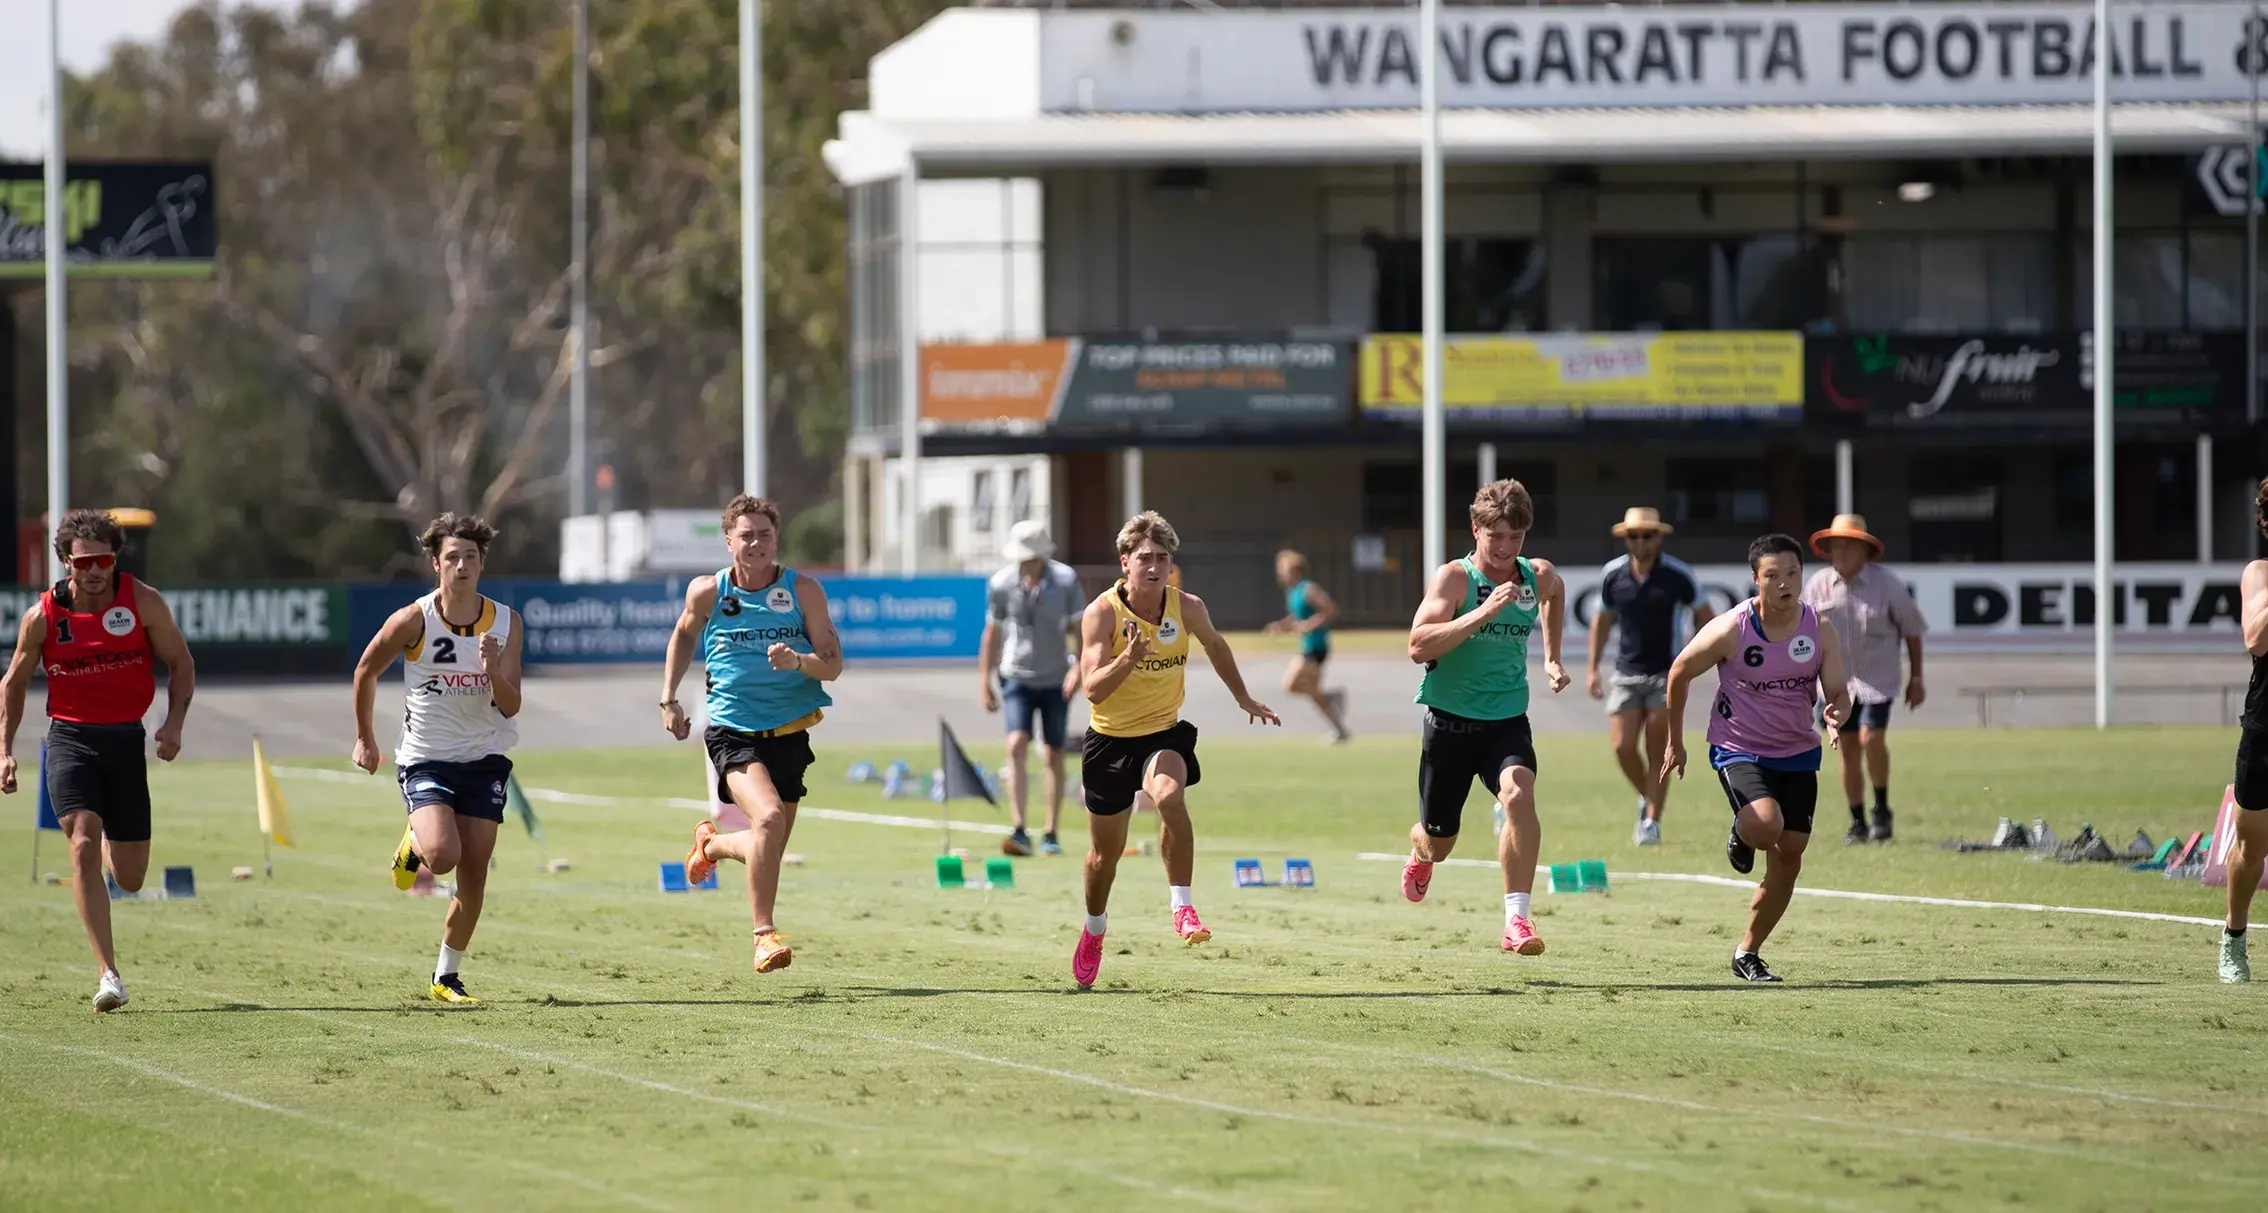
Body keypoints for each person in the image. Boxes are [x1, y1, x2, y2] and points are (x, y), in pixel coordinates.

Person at [1071, 511, 1280, 989]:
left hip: (1163, 733)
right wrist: (1129, 658)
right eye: (1144, 557)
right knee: (1105, 856)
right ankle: (1095, 930)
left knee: (1169, 795)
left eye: (1163, 558)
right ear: (1125, 562)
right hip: (1108, 742)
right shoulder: (1102, 614)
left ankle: (1182, 906)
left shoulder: (1186, 607)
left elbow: (1217, 646)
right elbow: (1092, 689)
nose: (1154, 566)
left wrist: (1243, 696)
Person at [0, 510, 194, 1013]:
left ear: (115, 559)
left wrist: (173, 724)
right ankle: (109, 974)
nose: (95, 570)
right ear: (66, 561)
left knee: (129, 877)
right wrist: (5, 751)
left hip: (126, 744)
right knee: (82, 841)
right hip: (69, 740)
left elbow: (181, 661)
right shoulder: (42, 616)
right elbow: (13, 683)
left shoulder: (143, 601)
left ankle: (110, 836)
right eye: (84, 561)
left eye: (104, 559)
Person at [665, 495, 844, 975]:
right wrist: (670, 698)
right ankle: (764, 936)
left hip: (789, 731)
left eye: (764, 534)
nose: (756, 543)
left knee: (769, 845)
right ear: (728, 541)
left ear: (776, 540)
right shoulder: (708, 591)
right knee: (766, 819)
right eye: (745, 534)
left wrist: (798, 662)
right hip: (731, 730)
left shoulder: (803, 590)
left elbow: (833, 665)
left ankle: (712, 846)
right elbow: (684, 634)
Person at [1661, 533, 1850, 983]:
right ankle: (1743, 829)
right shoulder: (1733, 628)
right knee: (1766, 825)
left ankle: (1748, 952)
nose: (1785, 584)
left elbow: (1839, 691)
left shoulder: (1818, 628)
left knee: (1790, 856)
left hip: (1799, 751)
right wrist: (1675, 741)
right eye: (1773, 576)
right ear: (1755, 580)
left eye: (1792, 574)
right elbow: (1679, 672)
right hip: (1739, 747)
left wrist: (1836, 712)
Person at [354, 513, 523, 1005]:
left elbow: (511, 705)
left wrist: (493, 671)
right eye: (453, 557)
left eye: (471, 557)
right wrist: (366, 738)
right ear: (436, 564)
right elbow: (366, 670)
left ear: (482, 562)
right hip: (427, 758)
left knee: (475, 870)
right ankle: (416, 841)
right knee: (443, 856)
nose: (463, 565)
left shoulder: (507, 622)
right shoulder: (414, 619)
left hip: (486, 758)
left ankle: (445, 977)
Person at [1399, 480, 1570, 956]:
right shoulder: (1455, 580)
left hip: (1506, 720)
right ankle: (1419, 852)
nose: (1504, 548)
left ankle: (1516, 920)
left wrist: (1552, 657)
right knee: (1439, 842)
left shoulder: (1535, 575)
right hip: (1450, 724)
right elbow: (1417, 646)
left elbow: (1556, 593)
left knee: (1519, 793)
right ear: (1476, 530)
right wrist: (1481, 613)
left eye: (1514, 538)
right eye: (1495, 536)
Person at [1587, 507, 1711, 847]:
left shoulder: (1678, 575)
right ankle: (1650, 797)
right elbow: (1602, 621)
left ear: (1658, 538)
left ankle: (1651, 823)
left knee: (1658, 751)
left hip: (1666, 675)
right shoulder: (1613, 575)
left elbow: (1707, 617)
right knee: (1622, 746)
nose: (1640, 542)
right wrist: (1592, 668)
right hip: (1625, 673)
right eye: (1634, 536)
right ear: (1626, 539)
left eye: (1647, 535)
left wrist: (1694, 659)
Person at [1802, 513, 1926, 845]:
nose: (1838, 554)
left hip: (1877, 682)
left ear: (1863, 550)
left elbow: (1913, 631)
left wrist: (1917, 678)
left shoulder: (1887, 584)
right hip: (1834, 685)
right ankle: (1857, 822)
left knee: (1872, 739)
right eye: (1834, 547)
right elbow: (1803, 636)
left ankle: (1881, 809)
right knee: (1849, 751)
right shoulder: (1817, 585)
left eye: (1846, 547)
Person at [979, 520, 1083, 857]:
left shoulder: (1065, 581)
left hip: (1055, 677)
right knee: (1016, 743)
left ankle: (1051, 831)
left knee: (1053, 752)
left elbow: (1081, 628)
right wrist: (985, 680)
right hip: (1016, 675)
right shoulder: (1001, 583)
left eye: (1031, 558)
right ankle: (1020, 827)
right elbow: (992, 633)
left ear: (1043, 556)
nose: (1026, 564)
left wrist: (1079, 668)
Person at [2220, 478, 2268, 983]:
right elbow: (2256, 639)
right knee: (2252, 847)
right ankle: (2234, 938)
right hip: (2266, 726)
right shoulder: (2259, 574)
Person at [1264, 550, 1351, 742]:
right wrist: (1281, 626)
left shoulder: (1308, 589)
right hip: (1307, 645)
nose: (1280, 573)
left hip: (1316, 646)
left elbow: (1330, 610)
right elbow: (1298, 616)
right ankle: (1339, 729)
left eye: (1283, 569)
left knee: (1291, 684)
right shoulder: (1293, 592)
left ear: (1295, 570)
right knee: (1312, 691)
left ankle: (1331, 698)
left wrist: (1309, 625)